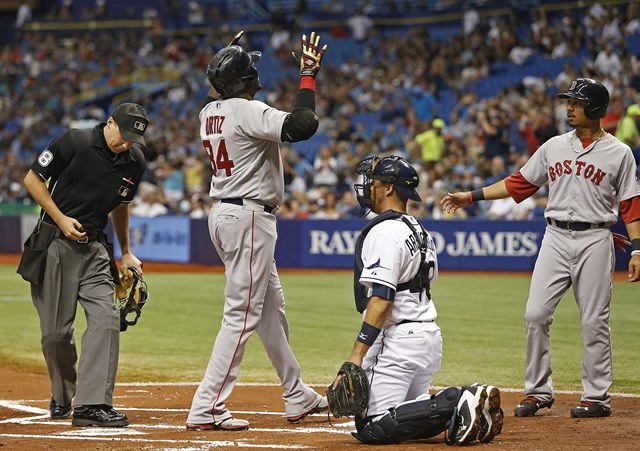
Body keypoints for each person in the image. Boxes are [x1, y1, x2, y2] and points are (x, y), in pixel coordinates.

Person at [441, 78, 640, 418]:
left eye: (576, 103)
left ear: (594, 108)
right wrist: (471, 195)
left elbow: (632, 205)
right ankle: (538, 391)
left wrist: (637, 250)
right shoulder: (554, 146)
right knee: (535, 314)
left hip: (595, 238)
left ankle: (596, 397)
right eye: (569, 102)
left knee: (594, 321)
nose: (569, 108)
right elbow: (520, 184)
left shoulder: (619, 153)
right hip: (555, 237)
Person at [186, 31, 329, 431]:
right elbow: (303, 124)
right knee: (242, 315)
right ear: (244, 82)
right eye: (249, 70)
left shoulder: (207, 113)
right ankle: (207, 405)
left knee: (270, 311)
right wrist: (307, 75)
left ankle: (296, 392)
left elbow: (222, 96)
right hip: (248, 217)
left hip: (229, 213)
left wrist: (226, 63)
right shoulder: (247, 112)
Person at [330, 155, 503, 445]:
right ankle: (461, 413)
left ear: (388, 189)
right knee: (410, 411)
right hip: (426, 337)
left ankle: (458, 399)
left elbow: (382, 299)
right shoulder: (419, 229)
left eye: (373, 182)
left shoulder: (384, 231)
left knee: (373, 426)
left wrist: (356, 356)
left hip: (398, 341)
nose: (367, 187)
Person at [19, 102, 149, 426]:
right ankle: (62, 395)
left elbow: (121, 204)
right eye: (125, 135)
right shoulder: (74, 141)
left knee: (106, 320)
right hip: (56, 244)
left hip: (95, 249)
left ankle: (92, 405)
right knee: (55, 335)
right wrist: (61, 219)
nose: (128, 144)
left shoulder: (135, 161)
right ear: (109, 123)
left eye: (135, 139)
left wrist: (126, 251)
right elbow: (32, 180)